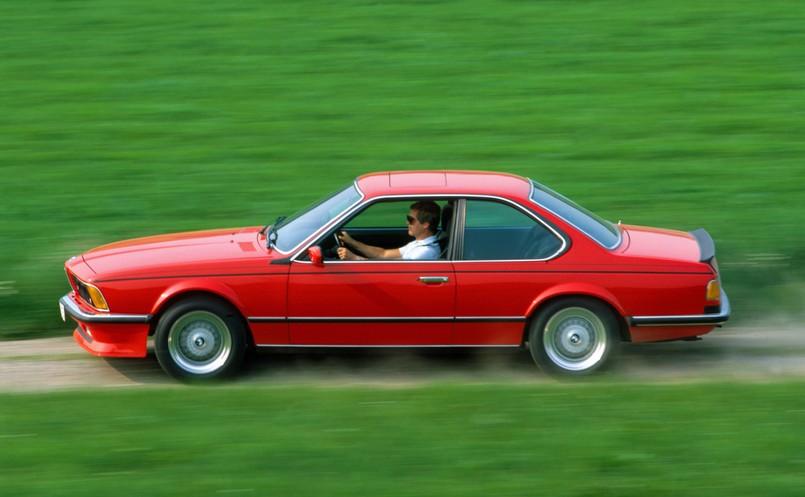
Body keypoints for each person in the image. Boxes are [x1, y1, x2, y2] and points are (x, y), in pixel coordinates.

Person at [338, 200, 441, 261]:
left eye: (411, 220)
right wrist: (351, 242)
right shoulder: (418, 243)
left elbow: (391, 269)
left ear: (425, 225)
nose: (407, 223)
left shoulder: (425, 252)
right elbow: (383, 254)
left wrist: (355, 259)